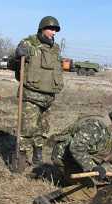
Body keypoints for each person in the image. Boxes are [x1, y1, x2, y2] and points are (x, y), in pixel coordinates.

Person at [15, 16, 64, 167]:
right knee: (27, 129)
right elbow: (15, 63)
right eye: (51, 29)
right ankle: (21, 159)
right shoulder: (28, 43)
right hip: (30, 95)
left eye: (56, 30)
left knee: (43, 129)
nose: (54, 33)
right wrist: (18, 55)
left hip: (48, 97)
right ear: (42, 28)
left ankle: (38, 157)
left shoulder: (55, 49)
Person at [51, 104, 112, 185]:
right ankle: (62, 179)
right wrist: (92, 167)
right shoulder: (94, 127)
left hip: (77, 160)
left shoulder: (109, 131)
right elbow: (76, 147)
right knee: (88, 193)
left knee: (100, 182)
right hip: (65, 159)